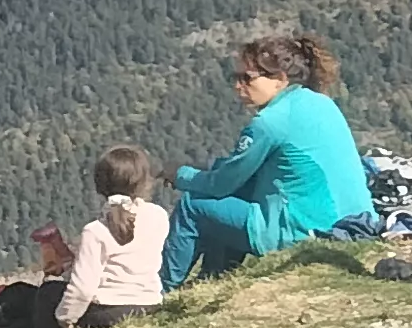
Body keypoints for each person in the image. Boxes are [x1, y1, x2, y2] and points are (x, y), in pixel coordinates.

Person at [162, 34, 381, 288]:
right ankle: (211, 281)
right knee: (228, 199)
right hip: (355, 223)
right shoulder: (321, 102)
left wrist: (179, 175)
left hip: (305, 231)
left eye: (247, 78)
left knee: (193, 205)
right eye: (236, 78)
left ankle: (160, 291)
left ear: (280, 79)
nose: (238, 86)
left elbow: (221, 184)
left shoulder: (269, 123)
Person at [50, 146, 172, 328]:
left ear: (100, 184)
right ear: (143, 182)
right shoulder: (159, 216)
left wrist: (66, 319)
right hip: (150, 303)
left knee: (47, 294)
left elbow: (83, 288)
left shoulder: (95, 231)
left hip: (108, 312)